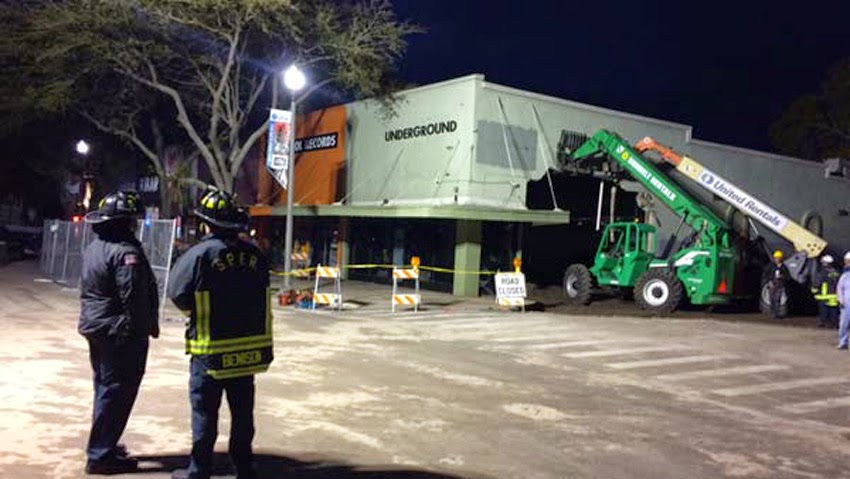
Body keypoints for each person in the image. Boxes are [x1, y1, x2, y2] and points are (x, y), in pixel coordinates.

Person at [167, 189, 273, 479]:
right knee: (242, 413)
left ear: (206, 223)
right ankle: (244, 466)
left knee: (204, 413)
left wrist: (199, 313)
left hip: (210, 352)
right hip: (247, 352)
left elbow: (177, 293)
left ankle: (199, 469)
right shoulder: (255, 254)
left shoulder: (199, 255)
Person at [79, 191, 159, 475]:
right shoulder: (126, 253)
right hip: (118, 332)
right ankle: (100, 455)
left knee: (105, 388)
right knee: (117, 392)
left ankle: (105, 444)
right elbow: (133, 298)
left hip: (97, 327)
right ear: (124, 222)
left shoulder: (95, 247)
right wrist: (139, 332)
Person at [812, 254, 841, 328]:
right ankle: (834, 323)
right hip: (834, 294)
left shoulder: (823, 272)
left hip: (824, 294)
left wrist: (814, 290)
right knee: (833, 310)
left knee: (823, 309)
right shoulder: (836, 272)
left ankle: (823, 322)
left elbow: (818, 282)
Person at [768, 249, 790, 319]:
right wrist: (770, 281)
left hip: (780, 285)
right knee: (772, 299)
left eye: (777, 258)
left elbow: (788, 277)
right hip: (772, 284)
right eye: (775, 258)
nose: (776, 259)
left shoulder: (784, 267)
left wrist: (782, 276)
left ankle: (776, 314)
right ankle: (772, 313)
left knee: (777, 300)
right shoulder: (772, 266)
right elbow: (768, 274)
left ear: (780, 258)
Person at [837, 252, 850, 350]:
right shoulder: (845, 276)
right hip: (846, 304)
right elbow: (840, 288)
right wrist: (841, 301)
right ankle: (843, 342)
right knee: (844, 324)